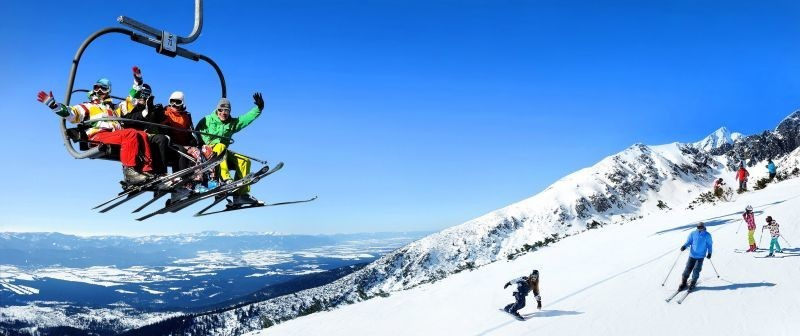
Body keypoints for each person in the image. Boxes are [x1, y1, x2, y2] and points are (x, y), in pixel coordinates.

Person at [36, 79, 154, 185]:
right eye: (96, 87)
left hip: (114, 135)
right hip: (97, 136)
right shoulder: (87, 106)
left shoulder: (113, 108)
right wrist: (55, 106)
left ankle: (147, 170)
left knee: (142, 134)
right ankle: (130, 173)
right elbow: (72, 114)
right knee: (130, 133)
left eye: (103, 88)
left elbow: (131, 100)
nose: (99, 91)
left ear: (108, 91)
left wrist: (137, 82)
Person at [195, 93, 265, 206]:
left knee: (245, 161)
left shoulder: (232, 123)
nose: (223, 113)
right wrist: (205, 142)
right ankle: (225, 179)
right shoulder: (207, 120)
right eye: (221, 110)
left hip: (223, 153)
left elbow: (246, 118)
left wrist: (259, 108)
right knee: (220, 146)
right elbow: (197, 131)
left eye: (226, 111)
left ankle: (241, 195)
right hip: (208, 151)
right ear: (217, 110)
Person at [678, 222, 713, 291]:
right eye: (698, 227)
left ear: (703, 227)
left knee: (696, 270)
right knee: (687, 269)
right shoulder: (693, 233)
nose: (700, 228)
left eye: (701, 227)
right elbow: (689, 242)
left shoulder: (707, 235)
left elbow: (709, 245)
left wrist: (709, 253)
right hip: (692, 255)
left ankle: (693, 282)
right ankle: (684, 282)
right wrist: (684, 246)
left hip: (700, 256)